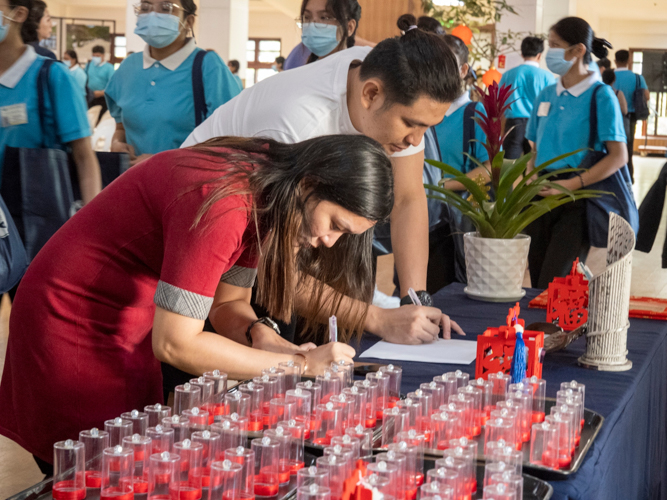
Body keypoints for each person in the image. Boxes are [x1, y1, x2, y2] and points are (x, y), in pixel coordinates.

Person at [0, 134, 390, 472]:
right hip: (72, 316)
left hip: (129, 316)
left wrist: (264, 338)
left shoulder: (271, 192)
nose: (329, 242)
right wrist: (301, 364)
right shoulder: (226, 200)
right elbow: (176, 344)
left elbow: (227, 304)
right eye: (335, 225)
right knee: (98, 467)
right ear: (310, 184)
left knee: (134, 455)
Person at [183, 22, 465, 345]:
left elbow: (408, 199)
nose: (416, 140)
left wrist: (416, 306)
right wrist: (377, 317)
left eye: (427, 128)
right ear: (370, 94)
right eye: (411, 125)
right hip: (208, 221)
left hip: (275, 230)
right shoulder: (297, 125)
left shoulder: (388, 79)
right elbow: (276, 270)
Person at [525, 17, 628, 288]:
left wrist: (569, 186)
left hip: (577, 198)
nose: (550, 51)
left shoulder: (600, 95)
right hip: (539, 194)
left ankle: (559, 330)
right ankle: (540, 331)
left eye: (556, 45)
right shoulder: (546, 93)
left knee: (555, 281)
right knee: (537, 280)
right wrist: (528, 178)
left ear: (578, 50)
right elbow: (533, 148)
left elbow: (619, 156)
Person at [105, 0, 240, 164]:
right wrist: (117, 143)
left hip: (185, 182)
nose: (153, 15)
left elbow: (231, 140)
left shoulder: (208, 66)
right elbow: (121, 127)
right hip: (131, 181)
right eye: (146, 7)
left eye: (166, 8)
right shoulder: (128, 67)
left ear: (188, 21)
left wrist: (163, 162)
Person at [0, 0, 101, 204]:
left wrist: (91, 225)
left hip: (31, 216)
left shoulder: (51, 76)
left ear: (18, 14)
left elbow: (84, 157)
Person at [426, 34, 488, 290]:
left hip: (453, 225)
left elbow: (490, 170)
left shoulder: (475, 113)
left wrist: (442, 185)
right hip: (419, 217)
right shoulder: (423, 112)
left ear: (463, 70)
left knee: (444, 291)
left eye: (445, 63)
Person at [499, 36, 556, 159]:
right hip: (537, 124)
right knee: (534, 166)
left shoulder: (508, 75)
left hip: (513, 124)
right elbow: (551, 104)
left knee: (509, 166)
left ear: (522, 53)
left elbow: (500, 102)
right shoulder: (547, 77)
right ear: (539, 55)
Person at [613, 49, 649, 181]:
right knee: (628, 145)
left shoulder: (609, 76)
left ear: (615, 61)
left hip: (611, 114)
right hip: (631, 116)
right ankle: (628, 176)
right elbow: (646, 96)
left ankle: (612, 174)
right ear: (629, 61)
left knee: (611, 144)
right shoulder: (637, 78)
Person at [85, 45, 114, 120]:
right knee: (90, 118)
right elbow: (84, 79)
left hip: (103, 98)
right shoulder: (89, 65)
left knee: (100, 119)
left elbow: (112, 85)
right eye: (94, 56)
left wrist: (101, 93)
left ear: (103, 55)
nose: (95, 58)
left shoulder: (109, 68)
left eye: (98, 56)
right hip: (91, 97)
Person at [602, 67, 629, 136]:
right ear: (614, 80)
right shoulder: (618, 94)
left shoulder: (598, 93)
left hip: (602, 125)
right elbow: (625, 110)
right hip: (615, 126)